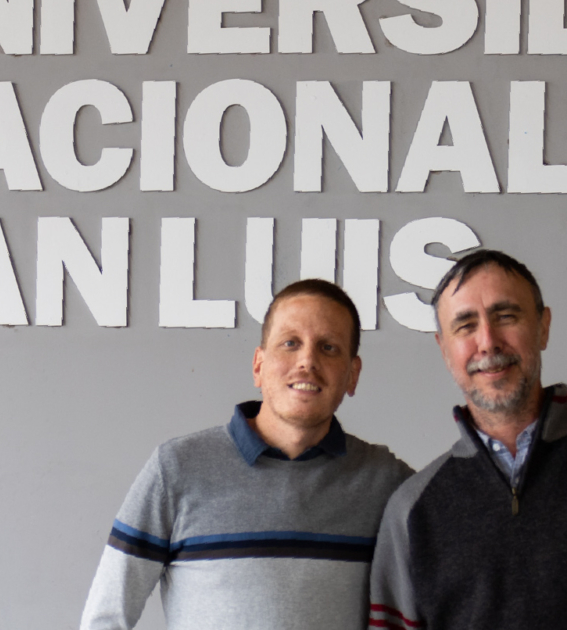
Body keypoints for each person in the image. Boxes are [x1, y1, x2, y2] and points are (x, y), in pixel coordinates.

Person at [81, 279, 412, 630]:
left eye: (328, 347)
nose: (307, 361)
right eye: (290, 343)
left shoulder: (386, 482)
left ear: (352, 374)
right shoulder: (177, 469)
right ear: (258, 365)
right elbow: (105, 619)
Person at [369, 249, 567, 629]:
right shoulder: (412, 510)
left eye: (505, 316)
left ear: (543, 327)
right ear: (444, 348)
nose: (488, 342)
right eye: (465, 325)